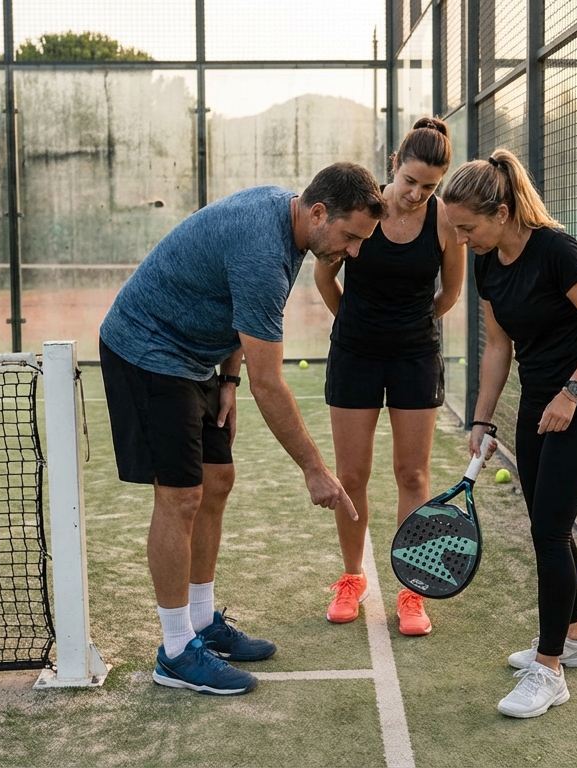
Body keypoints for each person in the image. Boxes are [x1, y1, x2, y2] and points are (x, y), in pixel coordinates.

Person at [99, 163, 387, 697]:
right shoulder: (264, 248)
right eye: (350, 237)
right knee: (181, 496)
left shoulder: (292, 223)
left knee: (218, 480)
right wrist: (316, 471)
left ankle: (204, 621)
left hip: (196, 359)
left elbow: (241, 318)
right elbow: (271, 383)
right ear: (319, 212)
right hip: (147, 350)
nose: (353, 253)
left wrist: (226, 378)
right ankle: (177, 650)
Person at [440, 149, 577, 718]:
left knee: (547, 531)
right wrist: (481, 417)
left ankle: (550, 671)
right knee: (550, 524)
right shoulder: (489, 261)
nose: (462, 239)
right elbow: (499, 346)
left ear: (499, 211)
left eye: (468, 228)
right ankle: (573, 640)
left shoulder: (557, 251)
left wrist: (571, 393)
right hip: (538, 407)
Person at [314, 117, 465, 636]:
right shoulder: (366, 209)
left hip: (415, 358)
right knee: (350, 476)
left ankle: (411, 587)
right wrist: (354, 323)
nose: (417, 193)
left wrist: (411, 328)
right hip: (355, 354)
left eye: (430, 186)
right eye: (410, 181)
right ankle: (352, 577)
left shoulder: (444, 220)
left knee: (412, 476)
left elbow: (450, 293)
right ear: (393, 166)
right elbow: (323, 273)